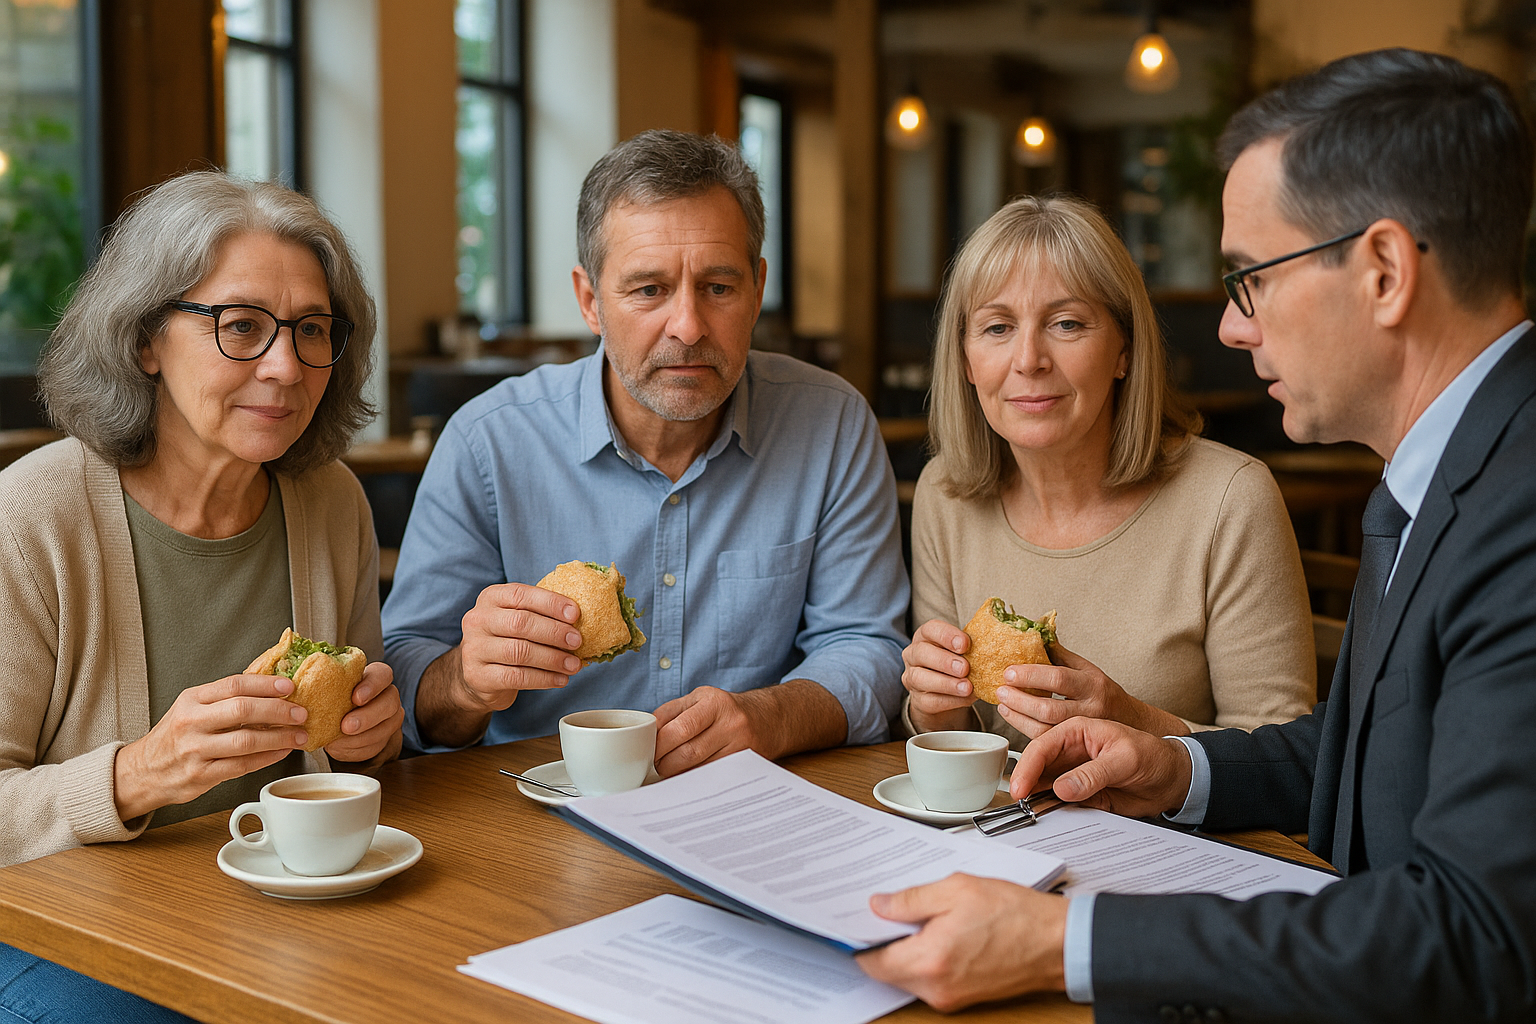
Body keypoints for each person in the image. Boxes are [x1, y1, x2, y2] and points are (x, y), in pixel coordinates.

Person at [857, 48, 1536, 1023]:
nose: (1229, 326)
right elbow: (1352, 761)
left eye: (1251, 277)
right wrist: (1173, 764)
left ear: (1383, 271)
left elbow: (1478, 941)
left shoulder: (1518, 511)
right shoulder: (1448, 471)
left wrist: (1066, 939)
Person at [0, 172, 404, 1020]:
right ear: (147, 337)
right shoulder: (32, 515)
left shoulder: (331, 504)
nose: (287, 366)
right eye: (242, 326)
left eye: (311, 330)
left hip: (282, 911)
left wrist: (370, 739)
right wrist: (138, 774)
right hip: (62, 928)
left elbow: (352, 770)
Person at [383, 130, 907, 772]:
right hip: (530, 818)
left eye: (719, 287)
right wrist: (465, 680)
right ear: (589, 301)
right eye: (648, 290)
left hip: (749, 800)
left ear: (758, 289)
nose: (687, 326)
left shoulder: (831, 423)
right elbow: (405, 678)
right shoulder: (488, 443)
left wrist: (771, 715)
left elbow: (868, 647)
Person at [901, 194, 1313, 744]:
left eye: (1067, 324)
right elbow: (963, 739)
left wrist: (1131, 723)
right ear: (966, 361)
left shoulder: (1228, 500)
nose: (1028, 359)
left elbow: (1285, 760)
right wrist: (934, 711)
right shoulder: (945, 494)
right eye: (997, 328)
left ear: (1124, 351)